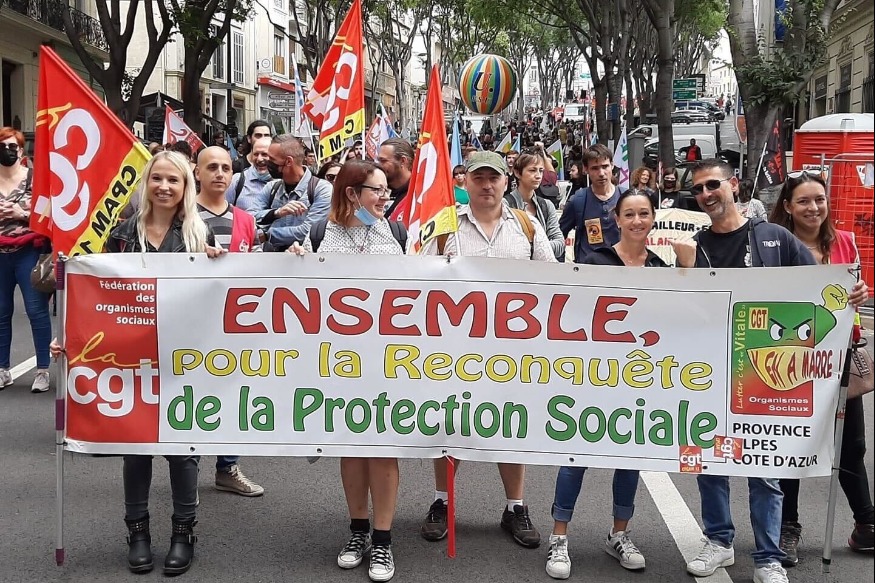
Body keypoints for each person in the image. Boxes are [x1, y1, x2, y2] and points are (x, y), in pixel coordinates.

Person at [671, 159, 817, 583]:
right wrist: (684, 270)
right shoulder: (692, 246)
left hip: (761, 374)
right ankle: (719, 541)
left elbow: (819, 287)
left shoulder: (773, 237)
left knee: (763, 469)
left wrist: (850, 294)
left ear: (733, 185)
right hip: (706, 373)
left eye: (712, 185)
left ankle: (768, 558)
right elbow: (677, 312)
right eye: (698, 189)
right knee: (707, 462)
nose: (706, 194)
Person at [419, 151, 555, 550]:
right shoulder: (444, 226)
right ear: (466, 182)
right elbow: (418, 278)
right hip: (454, 348)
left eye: (493, 178)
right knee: (451, 423)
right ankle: (443, 501)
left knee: (510, 425)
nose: (486, 185)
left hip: (513, 350)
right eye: (478, 177)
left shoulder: (527, 226)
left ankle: (515, 507)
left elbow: (553, 279)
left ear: (505, 182)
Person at [103, 151, 223, 575]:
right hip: (132, 358)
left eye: (174, 180)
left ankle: (182, 533)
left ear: (186, 186)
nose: (165, 187)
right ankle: (137, 533)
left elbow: (215, 297)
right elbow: (98, 295)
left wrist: (218, 266)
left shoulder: (198, 233)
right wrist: (73, 338)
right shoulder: (121, 236)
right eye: (158, 178)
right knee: (135, 448)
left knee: (181, 450)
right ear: (147, 183)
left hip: (183, 358)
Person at [288, 160, 404, 582]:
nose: (385, 197)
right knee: (352, 446)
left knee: (384, 449)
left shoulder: (396, 234)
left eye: (387, 190)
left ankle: (383, 540)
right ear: (352, 193)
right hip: (338, 362)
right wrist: (295, 261)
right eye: (377, 190)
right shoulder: (321, 233)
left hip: (389, 361)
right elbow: (297, 289)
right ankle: (358, 531)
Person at [545, 188, 666, 580]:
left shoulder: (662, 268)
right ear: (616, 218)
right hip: (595, 379)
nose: (636, 221)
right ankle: (559, 536)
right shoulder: (594, 262)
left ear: (653, 218)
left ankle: (619, 534)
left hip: (640, 381)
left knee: (629, 460)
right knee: (576, 457)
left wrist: (689, 267)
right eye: (629, 214)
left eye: (643, 213)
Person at [768, 171, 873, 563]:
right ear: (788, 207)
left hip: (839, 358)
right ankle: (787, 527)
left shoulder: (844, 241)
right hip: (791, 361)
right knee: (792, 442)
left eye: (819, 200)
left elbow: (855, 291)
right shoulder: (776, 246)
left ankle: (867, 523)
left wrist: (860, 293)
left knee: (851, 444)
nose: (813, 208)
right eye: (804, 201)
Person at [0, 126, 51, 393]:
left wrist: (21, 213)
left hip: (29, 250)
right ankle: (2, 369)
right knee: (1, 312)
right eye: (2, 146)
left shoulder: (35, 179)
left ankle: (42, 370)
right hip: (0, 254)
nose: (7, 151)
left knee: (36, 310)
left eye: (12, 146)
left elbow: (48, 213)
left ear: (21, 151)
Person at [251, 134, 333, 250]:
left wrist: (267, 235)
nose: (266, 162)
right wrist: (276, 213)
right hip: (271, 257)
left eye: (272, 159)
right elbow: (250, 217)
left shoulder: (321, 189)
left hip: (304, 258)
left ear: (289, 161)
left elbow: (308, 231)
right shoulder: (272, 187)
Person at [558, 144, 622, 263]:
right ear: (585, 169)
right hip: (587, 269)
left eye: (605, 166)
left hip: (621, 268)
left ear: (612, 165)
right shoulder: (578, 200)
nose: (601, 173)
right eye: (595, 168)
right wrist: (559, 265)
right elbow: (559, 236)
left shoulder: (626, 198)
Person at [503, 152, 564, 260]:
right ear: (517, 173)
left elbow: (560, 244)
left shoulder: (546, 205)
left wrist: (533, 247)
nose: (538, 175)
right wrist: (542, 247)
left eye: (541, 170)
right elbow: (505, 245)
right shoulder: (505, 205)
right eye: (532, 170)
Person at [225, 136, 272, 212]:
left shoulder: (283, 182)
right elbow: (225, 212)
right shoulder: (237, 181)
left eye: (264, 154)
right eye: (256, 154)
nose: (259, 159)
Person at [379, 138, 414, 217]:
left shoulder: (418, 194)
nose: (379, 165)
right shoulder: (376, 190)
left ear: (402, 161)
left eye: (383, 161)